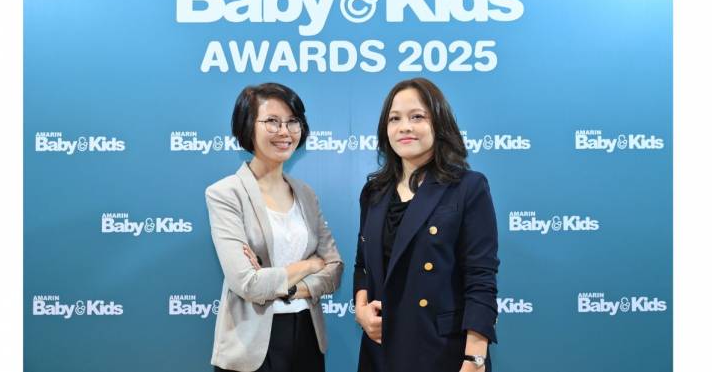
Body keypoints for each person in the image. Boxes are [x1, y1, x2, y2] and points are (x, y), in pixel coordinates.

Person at [353, 77, 500, 372]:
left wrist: (475, 358)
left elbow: (480, 278)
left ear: (439, 124)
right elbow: (363, 265)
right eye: (394, 119)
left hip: (442, 352)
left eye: (417, 117)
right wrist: (361, 309)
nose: (404, 127)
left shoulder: (467, 187)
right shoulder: (374, 192)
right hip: (380, 352)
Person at [205, 82, 343, 372]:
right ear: (247, 126)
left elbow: (334, 269)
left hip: (307, 334)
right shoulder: (226, 194)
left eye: (293, 121)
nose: (285, 131)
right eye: (272, 121)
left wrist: (288, 288)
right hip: (250, 344)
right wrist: (308, 266)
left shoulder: (306, 194)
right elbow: (248, 284)